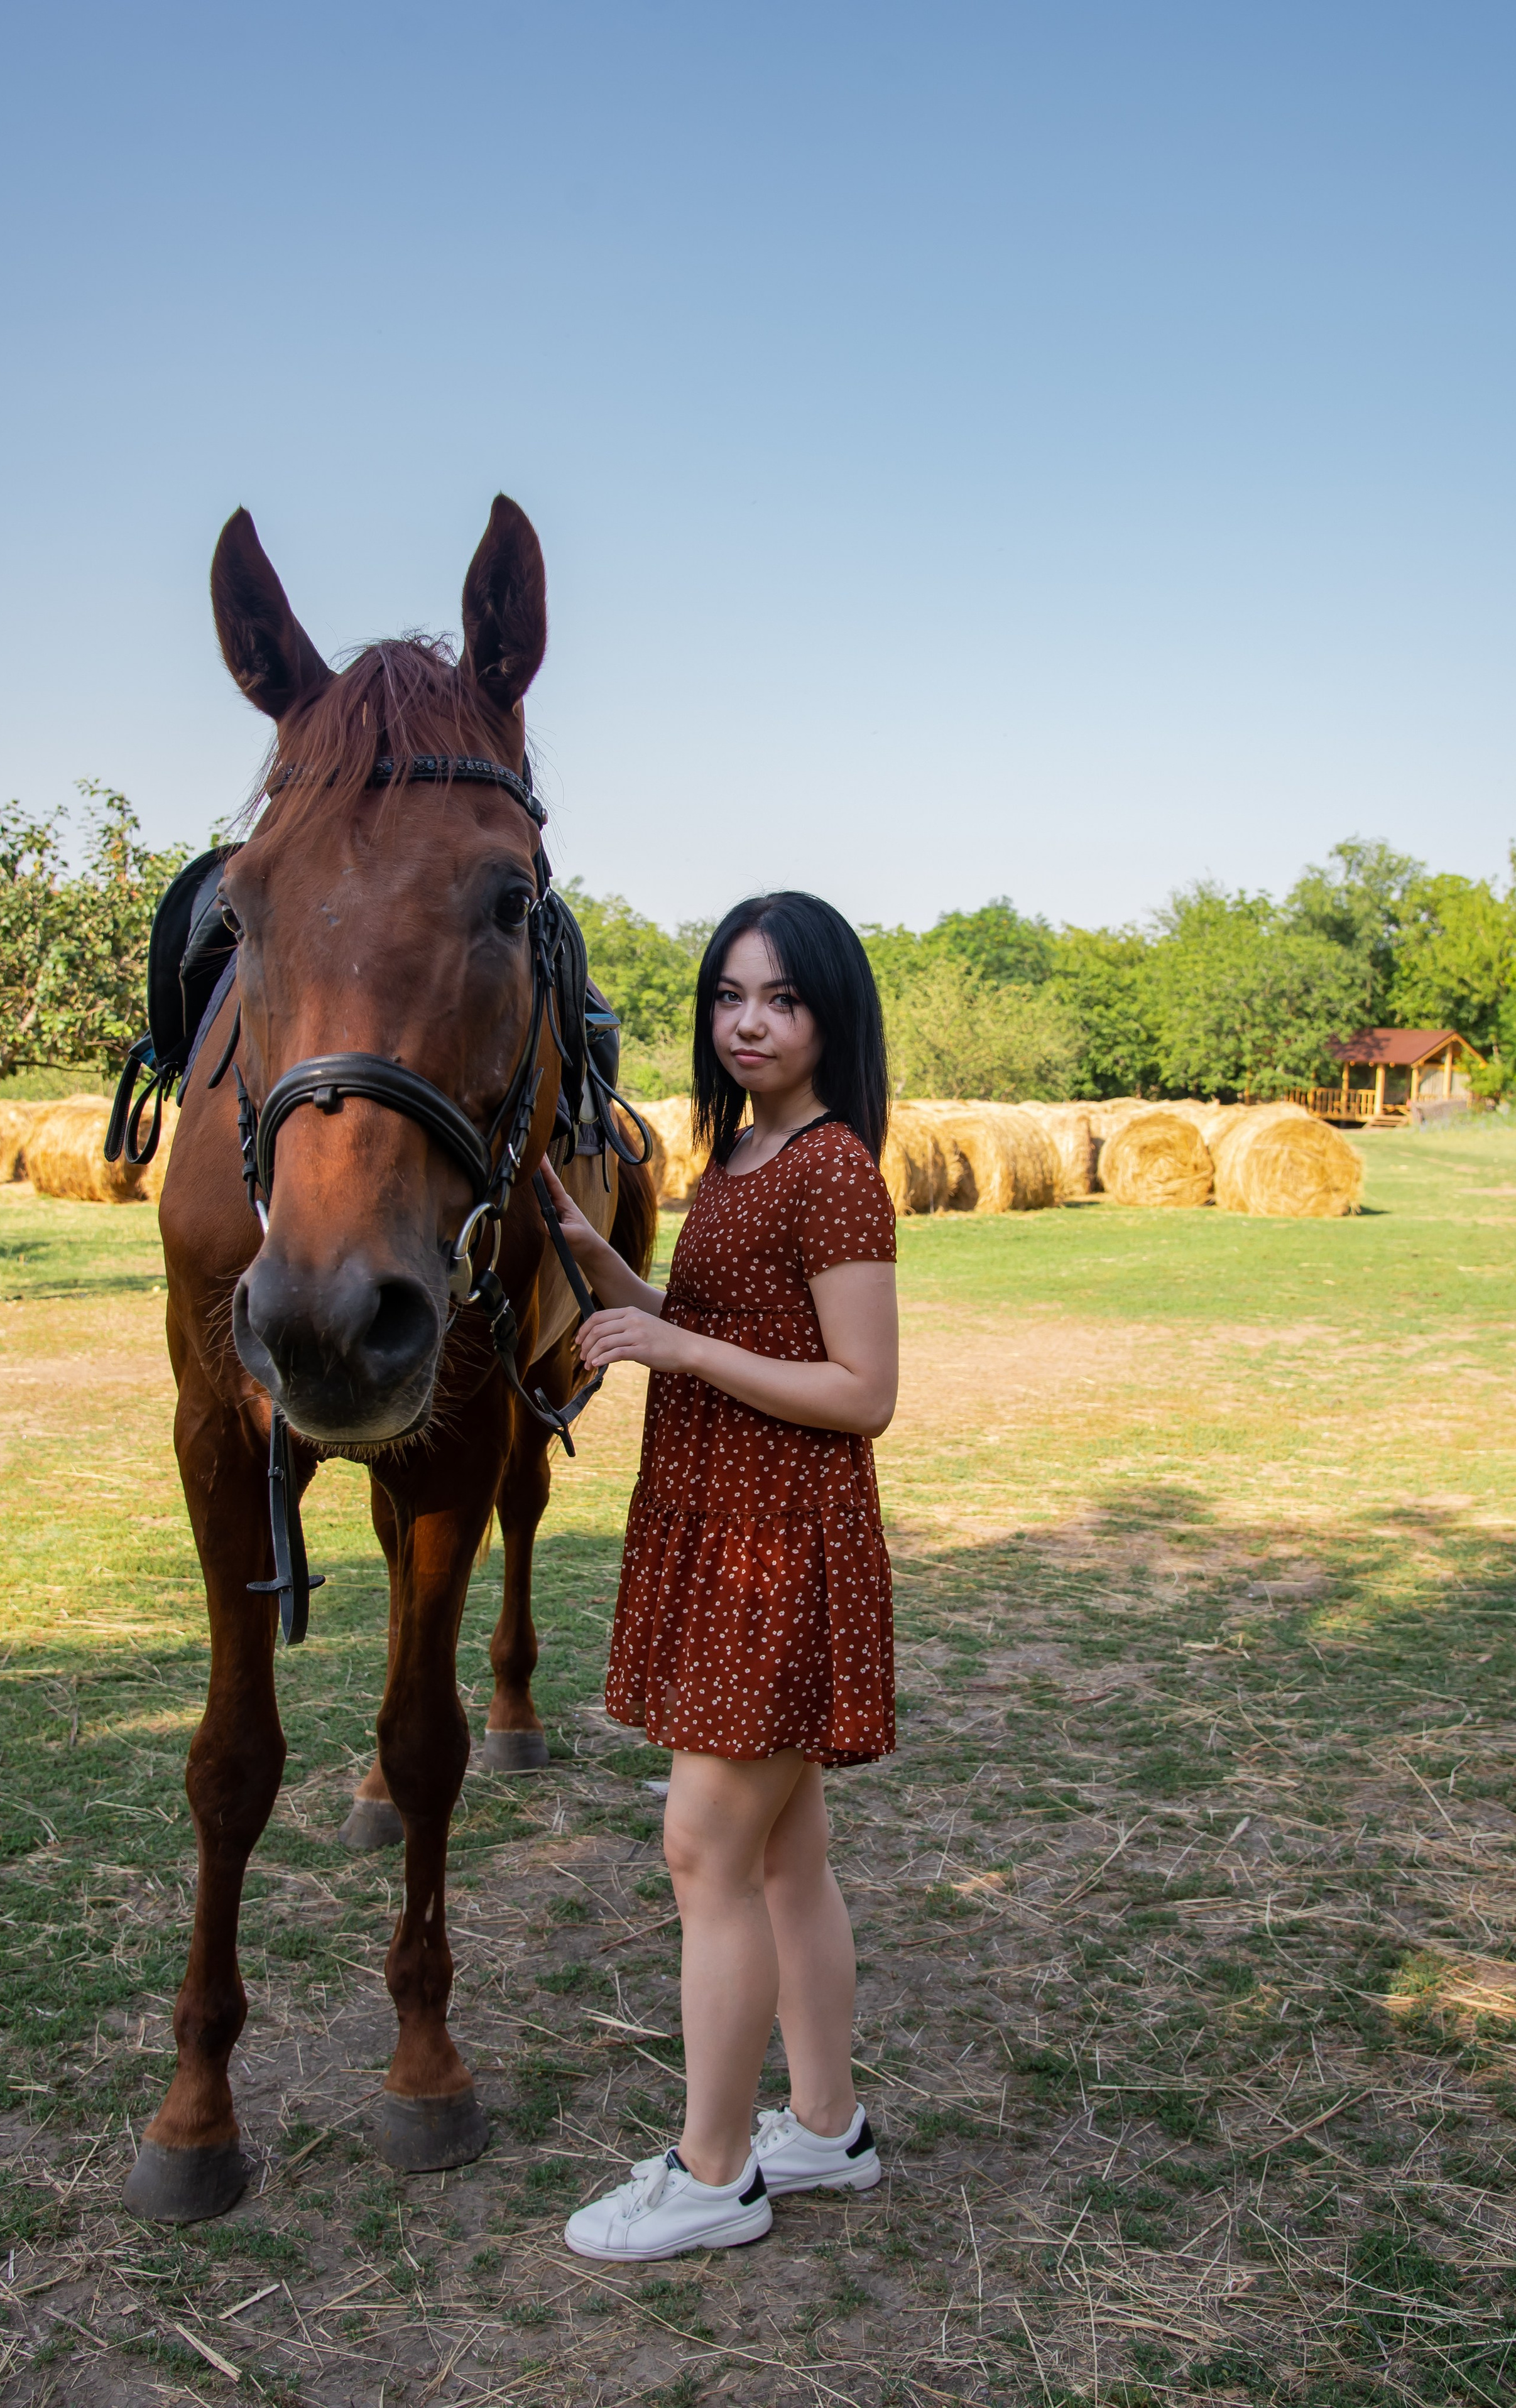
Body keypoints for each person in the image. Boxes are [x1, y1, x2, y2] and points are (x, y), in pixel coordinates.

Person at [538, 890, 899, 2262]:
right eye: (728, 997)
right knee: (782, 1859)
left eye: (782, 1000)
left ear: (831, 1019)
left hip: (777, 1544)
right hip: (719, 1524)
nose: (748, 1022)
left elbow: (863, 1391)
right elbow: (703, 1324)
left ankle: (711, 2173)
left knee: (703, 1850)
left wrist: (678, 1353)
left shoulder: (829, 1168)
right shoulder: (742, 1152)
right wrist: (595, 1261)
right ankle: (823, 2130)